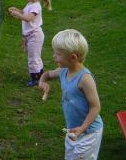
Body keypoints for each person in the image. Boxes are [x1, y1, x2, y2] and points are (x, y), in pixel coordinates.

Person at [39, 29, 103, 160]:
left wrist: (82, 128)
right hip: (73, 129)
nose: (54, 57)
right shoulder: (64, 71)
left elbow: (95, 107)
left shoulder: (85, 79)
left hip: (89, 133)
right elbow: (47, 74)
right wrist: (42, 81)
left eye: (58, 54)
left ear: (73, 57)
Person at [8, 0, 52, 86]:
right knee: (36, 56)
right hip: (31, 36)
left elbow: (28, 18)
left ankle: (35, 79)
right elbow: (25, 13)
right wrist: (17, 11)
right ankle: (40, 73)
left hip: (35, 36)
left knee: (33, 58)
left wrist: (17, 15)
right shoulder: (30, 4)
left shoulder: (36, 6)